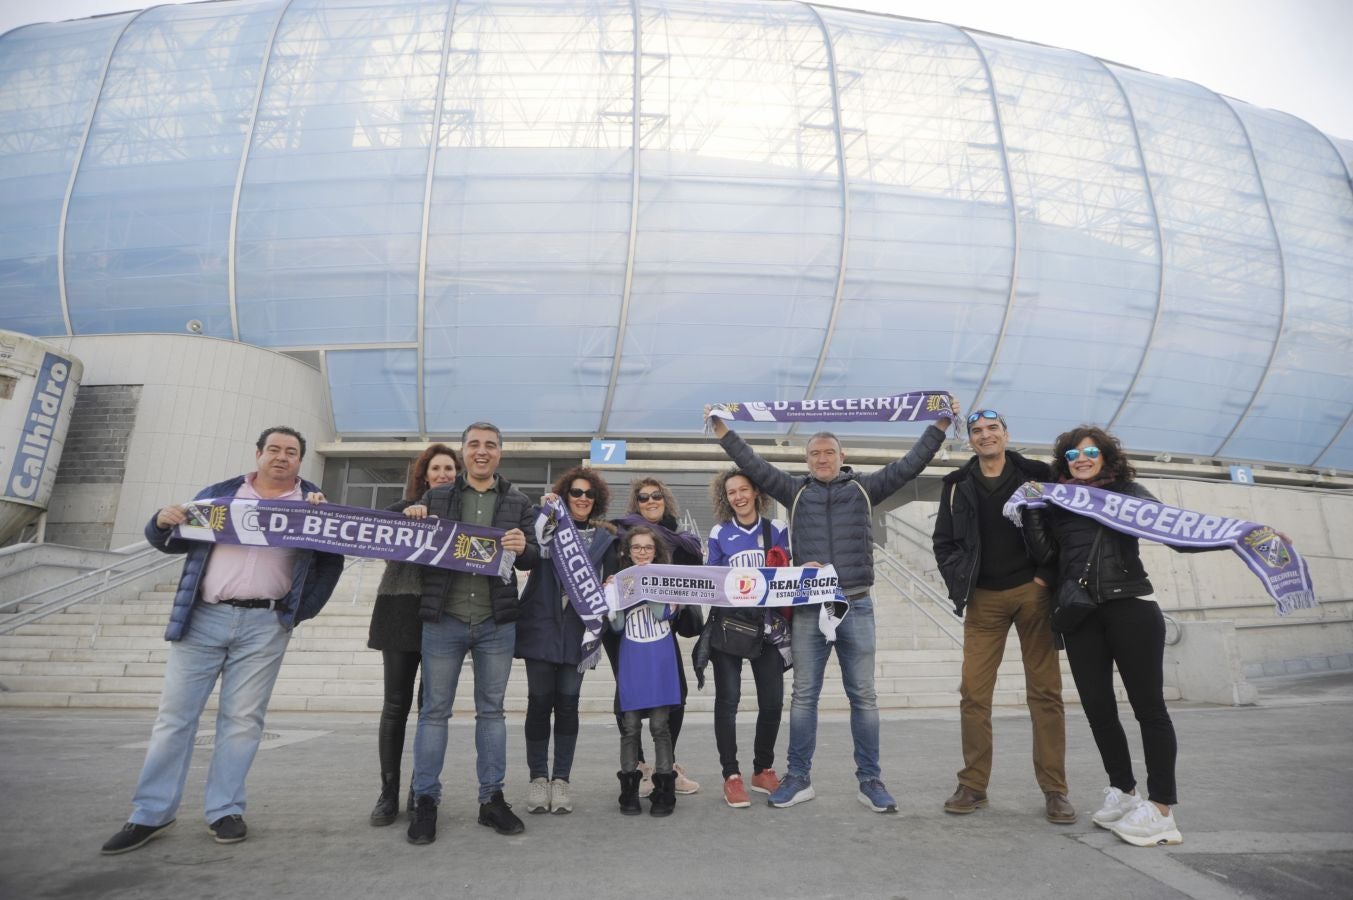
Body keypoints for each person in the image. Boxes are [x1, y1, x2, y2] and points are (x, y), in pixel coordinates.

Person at [101, 427, 343, 855]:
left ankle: (224, 810)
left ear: (301, 461)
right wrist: (159, 521)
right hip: (203, 620)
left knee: (243, 722)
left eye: (291, 452)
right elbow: (173, 541)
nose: (281, 457)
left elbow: (330, 563)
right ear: (258, 454)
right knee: (174, 719)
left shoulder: (313, 506)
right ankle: (150, 813)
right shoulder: (220, 495)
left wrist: (299, 612)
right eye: (274, 450)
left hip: (265, 626)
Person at [708, 403, 954, 813]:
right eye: (814, 453)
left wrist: (940, 425)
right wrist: (722, 431)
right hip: (809, 610)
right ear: (806, 461)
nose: (821, 458)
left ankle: (870, 780)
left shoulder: (864, 487)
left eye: (829, 452)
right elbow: (752, 462)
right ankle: (798, 777)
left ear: (842, 457)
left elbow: (910, 465)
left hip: (856, 605)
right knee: (804, 696)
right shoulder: (794, 490)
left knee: (864, 697)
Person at [1020, 426, 1184, 847]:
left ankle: (1162, 809)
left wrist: (1243, 536)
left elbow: (1178, 532)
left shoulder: (1129, 490)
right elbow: (1048, 557)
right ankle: (1125, 793)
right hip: (1081, 615)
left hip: (1130, 606)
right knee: (1098, 709)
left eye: (1091, 451)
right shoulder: (1058, 499)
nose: (1082, 458)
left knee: (1149, 709)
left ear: (1106, 455)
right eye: (1073, 454)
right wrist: (1034, 507)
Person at [932, 410, 1074, 824]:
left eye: (992, 429)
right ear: (970, 441)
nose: (985, 436)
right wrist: (961, 581)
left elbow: (1062, 528)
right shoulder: (957, 486)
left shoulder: (1037, 474)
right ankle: (973, 785)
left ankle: (1055, 790)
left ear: (1006, 434)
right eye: (977, 431)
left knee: (1045, 693)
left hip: (1034, 594)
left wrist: (1047, 575)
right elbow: (944, 543)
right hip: (984, 600)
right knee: (974, 694)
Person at [405, 422, 540, 845]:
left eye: (491, 446)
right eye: (475, 445)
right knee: (433, 713)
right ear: (464, 451)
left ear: (501, 452)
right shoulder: (438, 495)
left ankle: (492, 800)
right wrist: (411, 515)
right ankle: (425, 800)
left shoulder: (518, 501)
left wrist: (524, 547)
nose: (482, 452)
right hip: (442, 619)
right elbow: (413, 543)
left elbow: (536, 554)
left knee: (492, 713)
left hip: (494, 624)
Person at [515, 466, 621, 815]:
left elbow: (613, 579)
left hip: (578, 633)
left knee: (568, 705)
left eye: (589, 494)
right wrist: (545, 510)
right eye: (576, 493)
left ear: (597, 500)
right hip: (541, 627)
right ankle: (537, 779)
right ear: (564, 496)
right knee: (539, 702)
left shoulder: (605, 539)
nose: (583, 499)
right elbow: (528, 548)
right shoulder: (548, 527)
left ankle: (561, 780)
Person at [366, 443, 462, 826]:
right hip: (401, 611)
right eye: (437, 468)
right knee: (396, 704)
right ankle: (388, 792)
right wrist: (408, 514)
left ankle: (419, 789)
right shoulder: (402, 508)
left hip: (445, 615)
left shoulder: (463, 513)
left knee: (431, 708)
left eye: (450, 469)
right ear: (424, 474)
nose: (444, 474)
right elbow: (373, 529)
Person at [693, 468, 790, 808]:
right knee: (728, 701)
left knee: (773, 701)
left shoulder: (776, 528)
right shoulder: (720, 532)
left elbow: (788, 577)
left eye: (743, 489)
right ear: (726, 498)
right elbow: (714, 580)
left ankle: (763, 768)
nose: (738, 496)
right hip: (730, 627)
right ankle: (731, 776)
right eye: (731, 492)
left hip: (767, 628)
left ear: (756, 492)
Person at [607, 477, 704, 795]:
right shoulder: (620, 533)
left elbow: (698, 575)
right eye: (643, 497)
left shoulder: (680, 537)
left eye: (656, 495)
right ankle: (637, 767)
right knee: (628, 700)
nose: (650, 501)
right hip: (627, 629)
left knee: (676, 697)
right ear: (635, 503)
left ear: (666, 499)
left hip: (664, 629)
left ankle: (667, 768)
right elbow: (610, 573)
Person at [610, 526, 682, 817]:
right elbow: (615, 626)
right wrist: (613, 595)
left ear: (656, 551)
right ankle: (628, 789)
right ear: (627, 551)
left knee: (659, 726)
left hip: (660, 654)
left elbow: (663, 613)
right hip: (633, 654)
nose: (642, 552)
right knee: (630, 726)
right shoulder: (619, 581)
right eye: (636, 547)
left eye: (647, 547)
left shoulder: (667, 579)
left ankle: (664, 788)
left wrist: (646, 585)